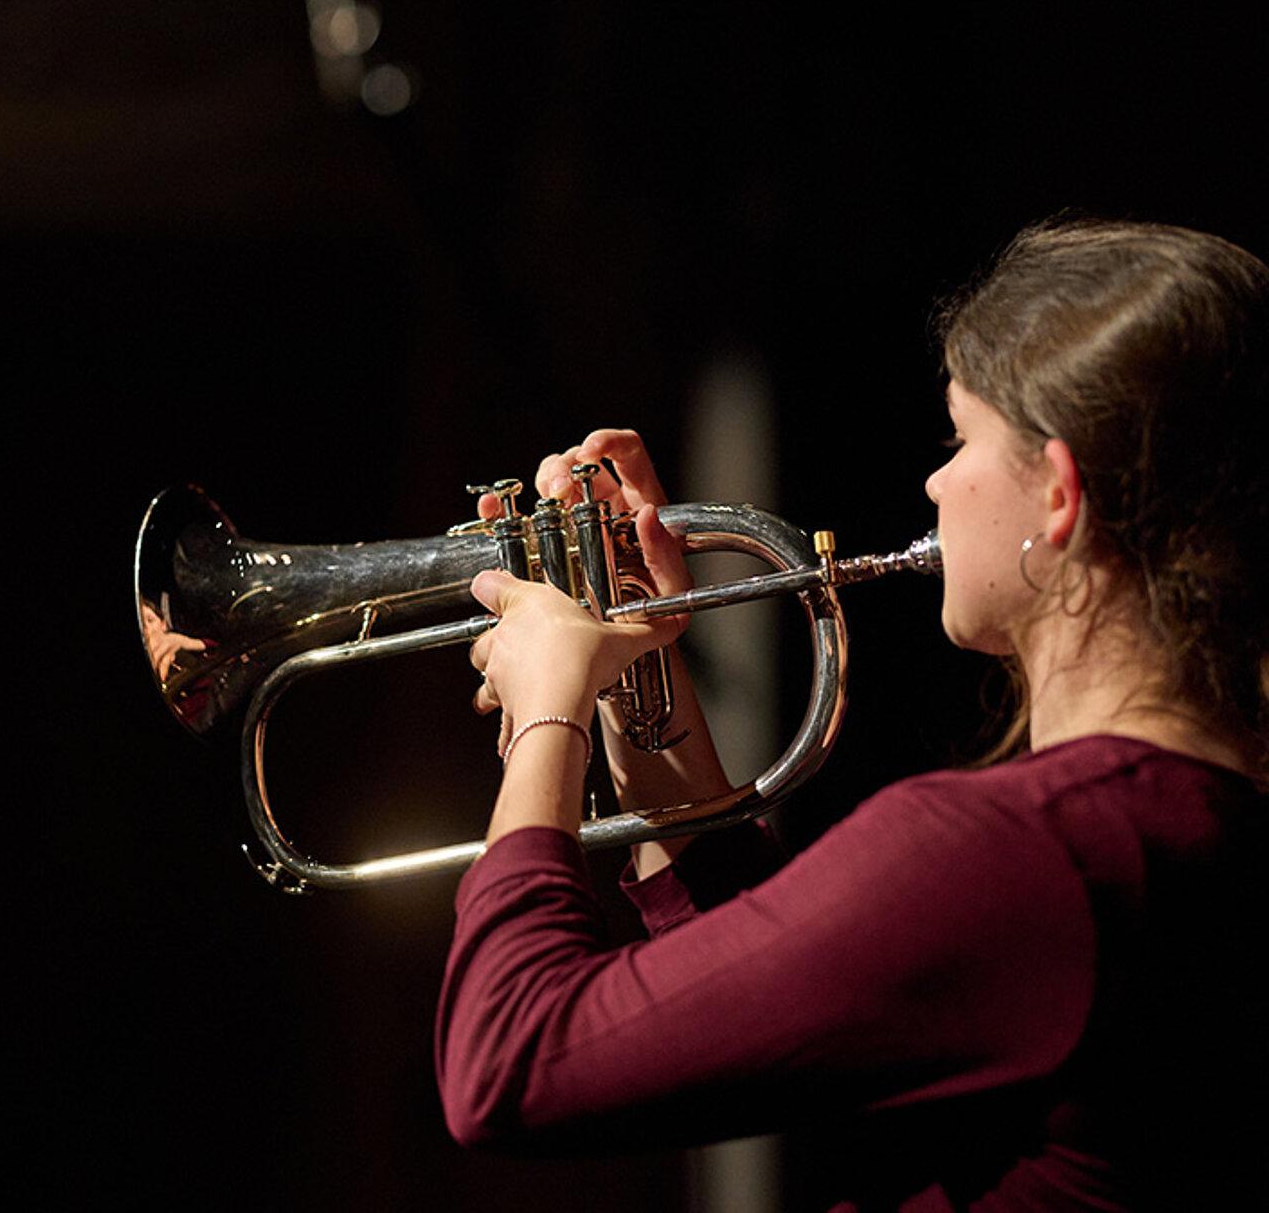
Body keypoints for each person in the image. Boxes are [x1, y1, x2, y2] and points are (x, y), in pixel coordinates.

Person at [435, 216, 1269, 1210]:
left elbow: (509, 1061)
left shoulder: (1022, 849)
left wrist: (545, 711)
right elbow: (750, 983)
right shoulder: (1181, 822)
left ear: (1058, 492)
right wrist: (630, 668)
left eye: (961, 439)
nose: (934, 481)